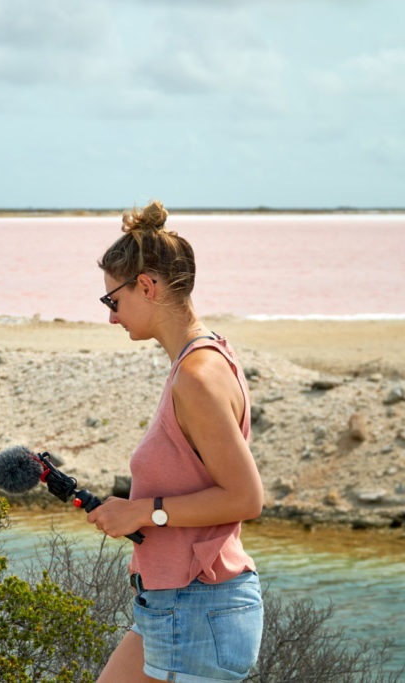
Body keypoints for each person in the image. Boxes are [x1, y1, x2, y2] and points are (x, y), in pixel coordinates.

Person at [86, 200, 265, 683]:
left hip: (198, 605)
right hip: (173, 604)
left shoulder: (197, 375)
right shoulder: (202, 358)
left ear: (147, 285)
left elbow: (246, 498)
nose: (111, 317)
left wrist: (142, 512)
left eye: (112, 301)